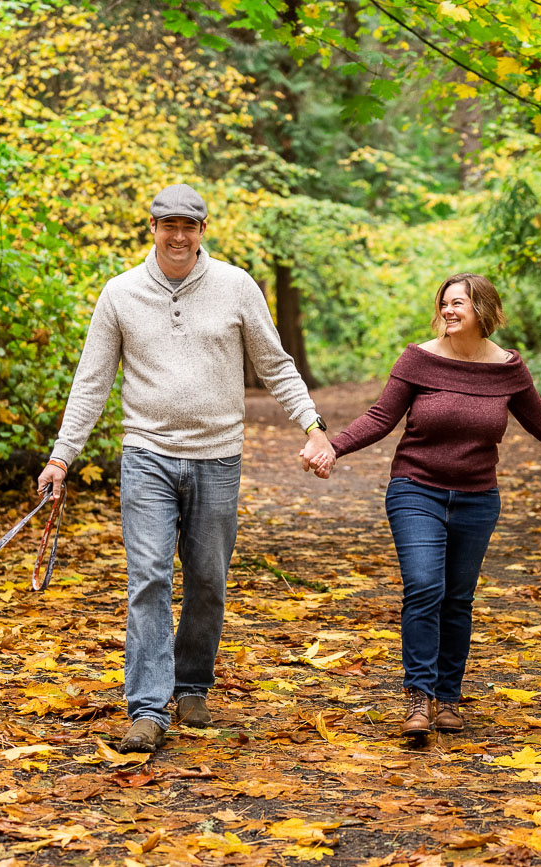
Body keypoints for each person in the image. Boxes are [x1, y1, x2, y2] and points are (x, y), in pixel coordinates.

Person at [38, 184, 335, 753]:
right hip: (146, 454)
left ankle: (193, 681)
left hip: (218, 456)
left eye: (188, 226)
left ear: (203, 231)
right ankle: (148, 707)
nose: (177, 235)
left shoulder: (236, 286)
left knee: (208, 580)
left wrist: (312, 426)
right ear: (151, 228)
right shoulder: (120, 293)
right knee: (148, 577)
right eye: (167, 224)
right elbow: (91, 381)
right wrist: (62, 455)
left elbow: (275, 364)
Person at [306, 272, 541, 741]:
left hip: (477, 499)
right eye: (445, 303)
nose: (449, 311)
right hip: (416, 489)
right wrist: (334, 447)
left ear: (482, 311)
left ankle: (447, 696)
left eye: (459, 304)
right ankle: (418, 697)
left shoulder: (508, 368)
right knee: (425, 586)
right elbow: (381, 417)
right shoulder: (418, 359)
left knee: (457, 600)